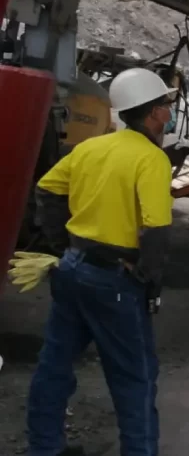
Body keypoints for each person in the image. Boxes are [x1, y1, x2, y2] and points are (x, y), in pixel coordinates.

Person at [27, 67, 177, 456]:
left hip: (73, 271)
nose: (170, 110)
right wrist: (147, 279)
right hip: (115, 282)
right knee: (136, 379)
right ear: (155, 113)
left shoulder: (91, 147)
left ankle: (44, 448)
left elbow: (46, 189)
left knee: (54, 366)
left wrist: (65, 246)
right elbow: (156, 231)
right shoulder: (153, 160)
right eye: (167, 104)